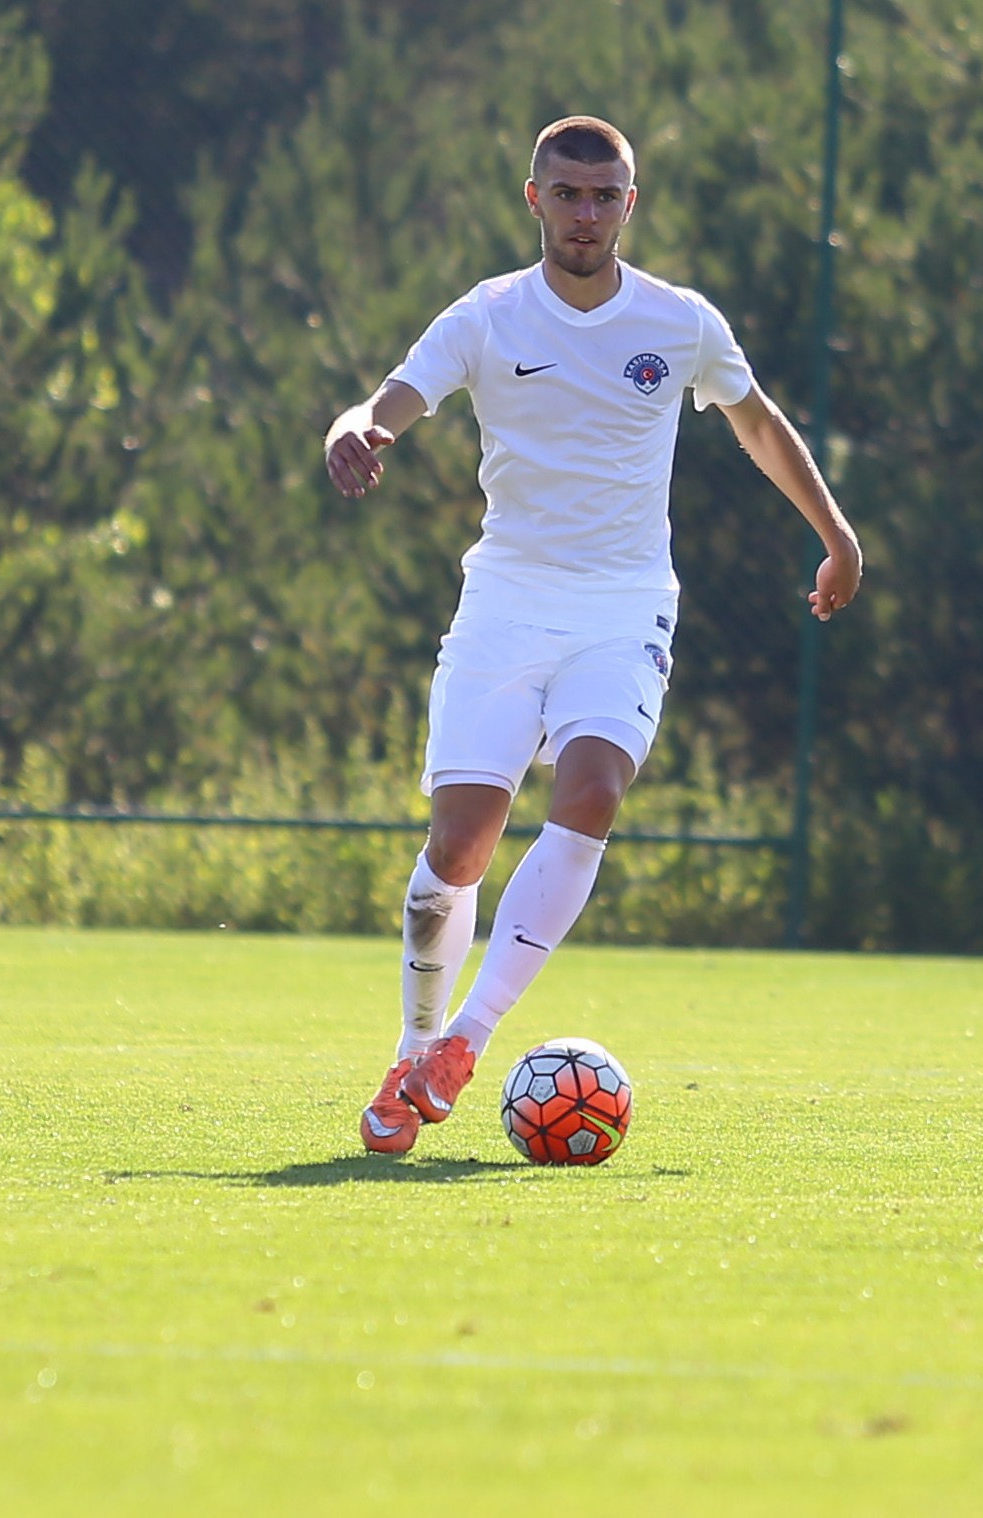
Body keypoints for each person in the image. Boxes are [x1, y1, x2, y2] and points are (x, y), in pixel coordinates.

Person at [324, 115, 862, 1154]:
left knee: (594, 789)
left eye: (603, 196)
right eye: (566, 194)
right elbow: (394, 396)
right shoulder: (488, 316)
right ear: (535, 198)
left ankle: (468, 1039)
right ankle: (413, 1046)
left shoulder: (679, 322)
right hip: (505, 602)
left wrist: (836, 536)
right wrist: (360, 427)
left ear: (629, 205)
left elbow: (756, 421)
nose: (584, 213)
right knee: (459, 847)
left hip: (624, 605)